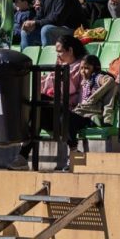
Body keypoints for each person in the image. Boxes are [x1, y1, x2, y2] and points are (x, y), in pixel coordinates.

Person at [11, 35, 86, 170]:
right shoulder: (59, 67)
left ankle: (73, 152)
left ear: (70, 50)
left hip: (75, 113)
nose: (57, 55)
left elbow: (69, 89)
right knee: (37, 112)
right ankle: (22, 157)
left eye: (60, 51)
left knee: (42, 104)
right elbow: (44, 86)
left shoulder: (81, 66)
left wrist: (55, 77)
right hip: (58, 112)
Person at [21, 0, 85, 47]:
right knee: (26, 32)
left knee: (46, 30)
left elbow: (57, 20)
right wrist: (31, 22)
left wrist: (35, 23)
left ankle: (48, 55)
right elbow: (39, 17)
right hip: (55, 29)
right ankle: (26, 55)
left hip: (73, 31)